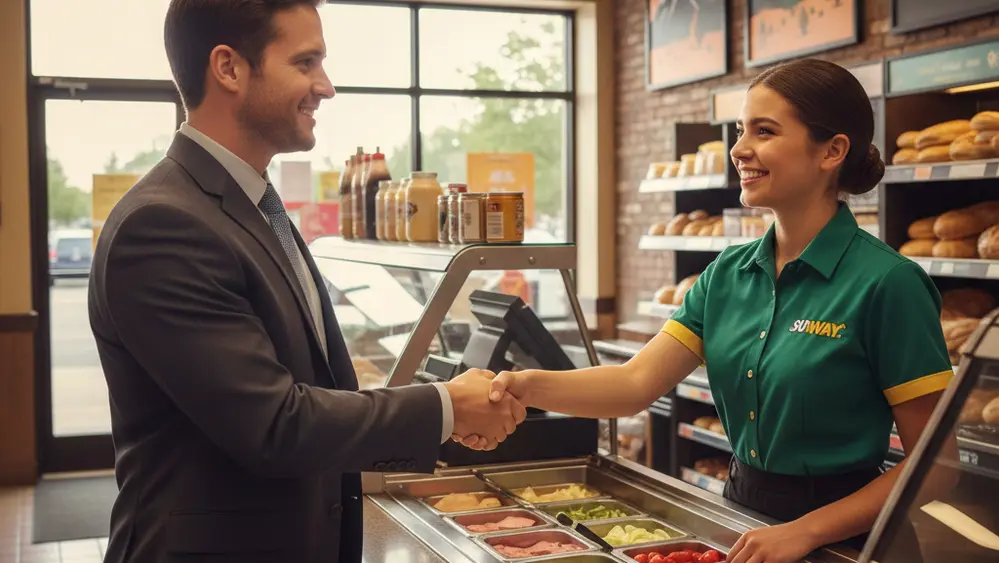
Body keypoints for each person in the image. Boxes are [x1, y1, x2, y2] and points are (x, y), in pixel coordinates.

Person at [456, 58, 952, 563]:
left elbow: (937, 466)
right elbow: (633, 384)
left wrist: (806, 532)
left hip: (850, 541)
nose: (739, 149)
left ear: (832, 150)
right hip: (743, 521)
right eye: (740, 131)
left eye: (764, 131)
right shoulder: (727, 274)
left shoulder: (888, 283)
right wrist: (521, 386)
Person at [88, 2, 525, 562]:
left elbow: (311, 383)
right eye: (305, 62)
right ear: (229, 68)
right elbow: (274, 425)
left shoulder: (250, 202)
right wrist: (446, 406)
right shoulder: (164, 224)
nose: (326, 87)